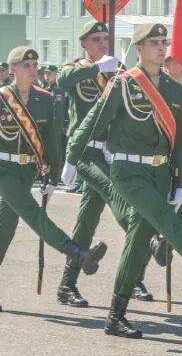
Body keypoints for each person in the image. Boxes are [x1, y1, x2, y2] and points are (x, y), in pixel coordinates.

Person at [63, 23, 182, 338]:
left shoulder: (175, 90)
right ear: (139, 49)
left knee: (137, 243)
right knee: (167, 220)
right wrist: (71, 157)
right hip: (129, 172)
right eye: (154, 43)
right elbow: (92, 122)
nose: (162, 48)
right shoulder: (123, 84)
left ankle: (116, 314)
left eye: (164, 42)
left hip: (161, 173)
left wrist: (181, 178)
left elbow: (178, 140)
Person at [0, 46, 109, 312]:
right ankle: (77, 252)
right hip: (2, 169)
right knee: (33, 214)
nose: (32, 70)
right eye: (26, 66)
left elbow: (50, 139)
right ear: (13, 69)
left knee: (4, 229)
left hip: (26, 170)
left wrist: (51, 170)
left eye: (35, 65)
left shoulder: (44, 99)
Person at [54, 20, 128, 308]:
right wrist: (98, 68)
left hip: (108, 152)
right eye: (96, 39)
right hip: (83, 151)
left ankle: (66, 284)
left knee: (86, 221)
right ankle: (147, 244)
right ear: (83, 44)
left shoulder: (117, 72)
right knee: (116, 193)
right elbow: (62, 82)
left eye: (106, 38)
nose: (102, 43)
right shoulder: (78, 70)